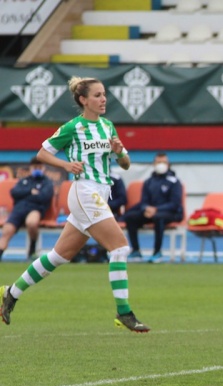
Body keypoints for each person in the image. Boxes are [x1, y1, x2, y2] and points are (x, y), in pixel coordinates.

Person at [0, 76, 149, 333]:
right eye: (98, 95)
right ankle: (123, 312)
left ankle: (10, 293)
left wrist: (119, 152)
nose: (103, 100)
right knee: (120, 249)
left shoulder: (108, 126)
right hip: (84, 190)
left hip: (100, 193)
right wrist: (66, 165)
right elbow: (43, 152)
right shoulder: (73, 127)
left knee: (59, 256)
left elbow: (126, 164)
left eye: (104, 94)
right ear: (83, 100)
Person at [123, 153, 183, 264]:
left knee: (158, 218)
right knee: (130, 217)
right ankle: (136, 251)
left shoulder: (174, 182)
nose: (161, 165)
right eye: (158, 162)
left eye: (164, 162)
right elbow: (144, 201)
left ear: (168, 164)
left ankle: (157, 252)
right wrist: (146, 208)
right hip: (150, 213)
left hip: (171, 213)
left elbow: (175, 204)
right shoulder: (149, 182)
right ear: (154, 164)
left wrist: (156, 209)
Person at [0, 157, 54, 262]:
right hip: (19, 209)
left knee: (31, 222)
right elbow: (14, 193)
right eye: (35, 167)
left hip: (35, 208)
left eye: (39, 167)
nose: (37, 169)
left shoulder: (47, 182)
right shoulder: (24, 180)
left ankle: (32, 248)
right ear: (30, 168)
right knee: (7, 230)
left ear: (44, 168)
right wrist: (31, 191)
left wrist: (26, 194)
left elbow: (44, 197)